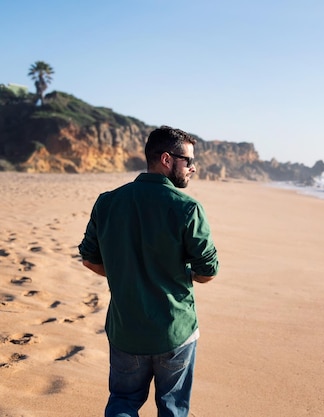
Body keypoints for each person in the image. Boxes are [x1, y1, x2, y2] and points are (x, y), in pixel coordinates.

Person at [79, 125, 219, 417]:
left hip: (126, 329)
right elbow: (208, 271)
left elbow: (89, 259)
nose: (193, 167)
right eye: (189, 161)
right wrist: (180, 273)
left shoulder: (107, 202)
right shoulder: (187, 208)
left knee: (123, 402)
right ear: (167, 160)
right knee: (172, 408)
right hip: (174, 330)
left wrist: (125, 272)